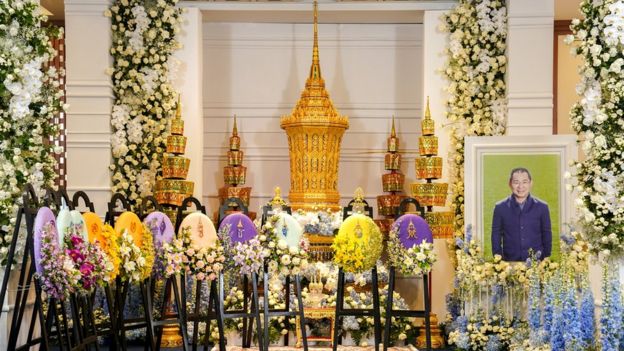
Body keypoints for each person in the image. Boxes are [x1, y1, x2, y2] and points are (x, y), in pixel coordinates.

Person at [491, 167, 552, 261]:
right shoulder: (500, 207)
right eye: (516, 182)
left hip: (536, 262)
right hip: (509, 261)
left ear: (531, 183)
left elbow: (547, 234)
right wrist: (499, 258)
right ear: (510, 184)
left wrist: (545, 256)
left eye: (524, 182)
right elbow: (496, 235)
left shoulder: (542, 207)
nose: (520, 186)